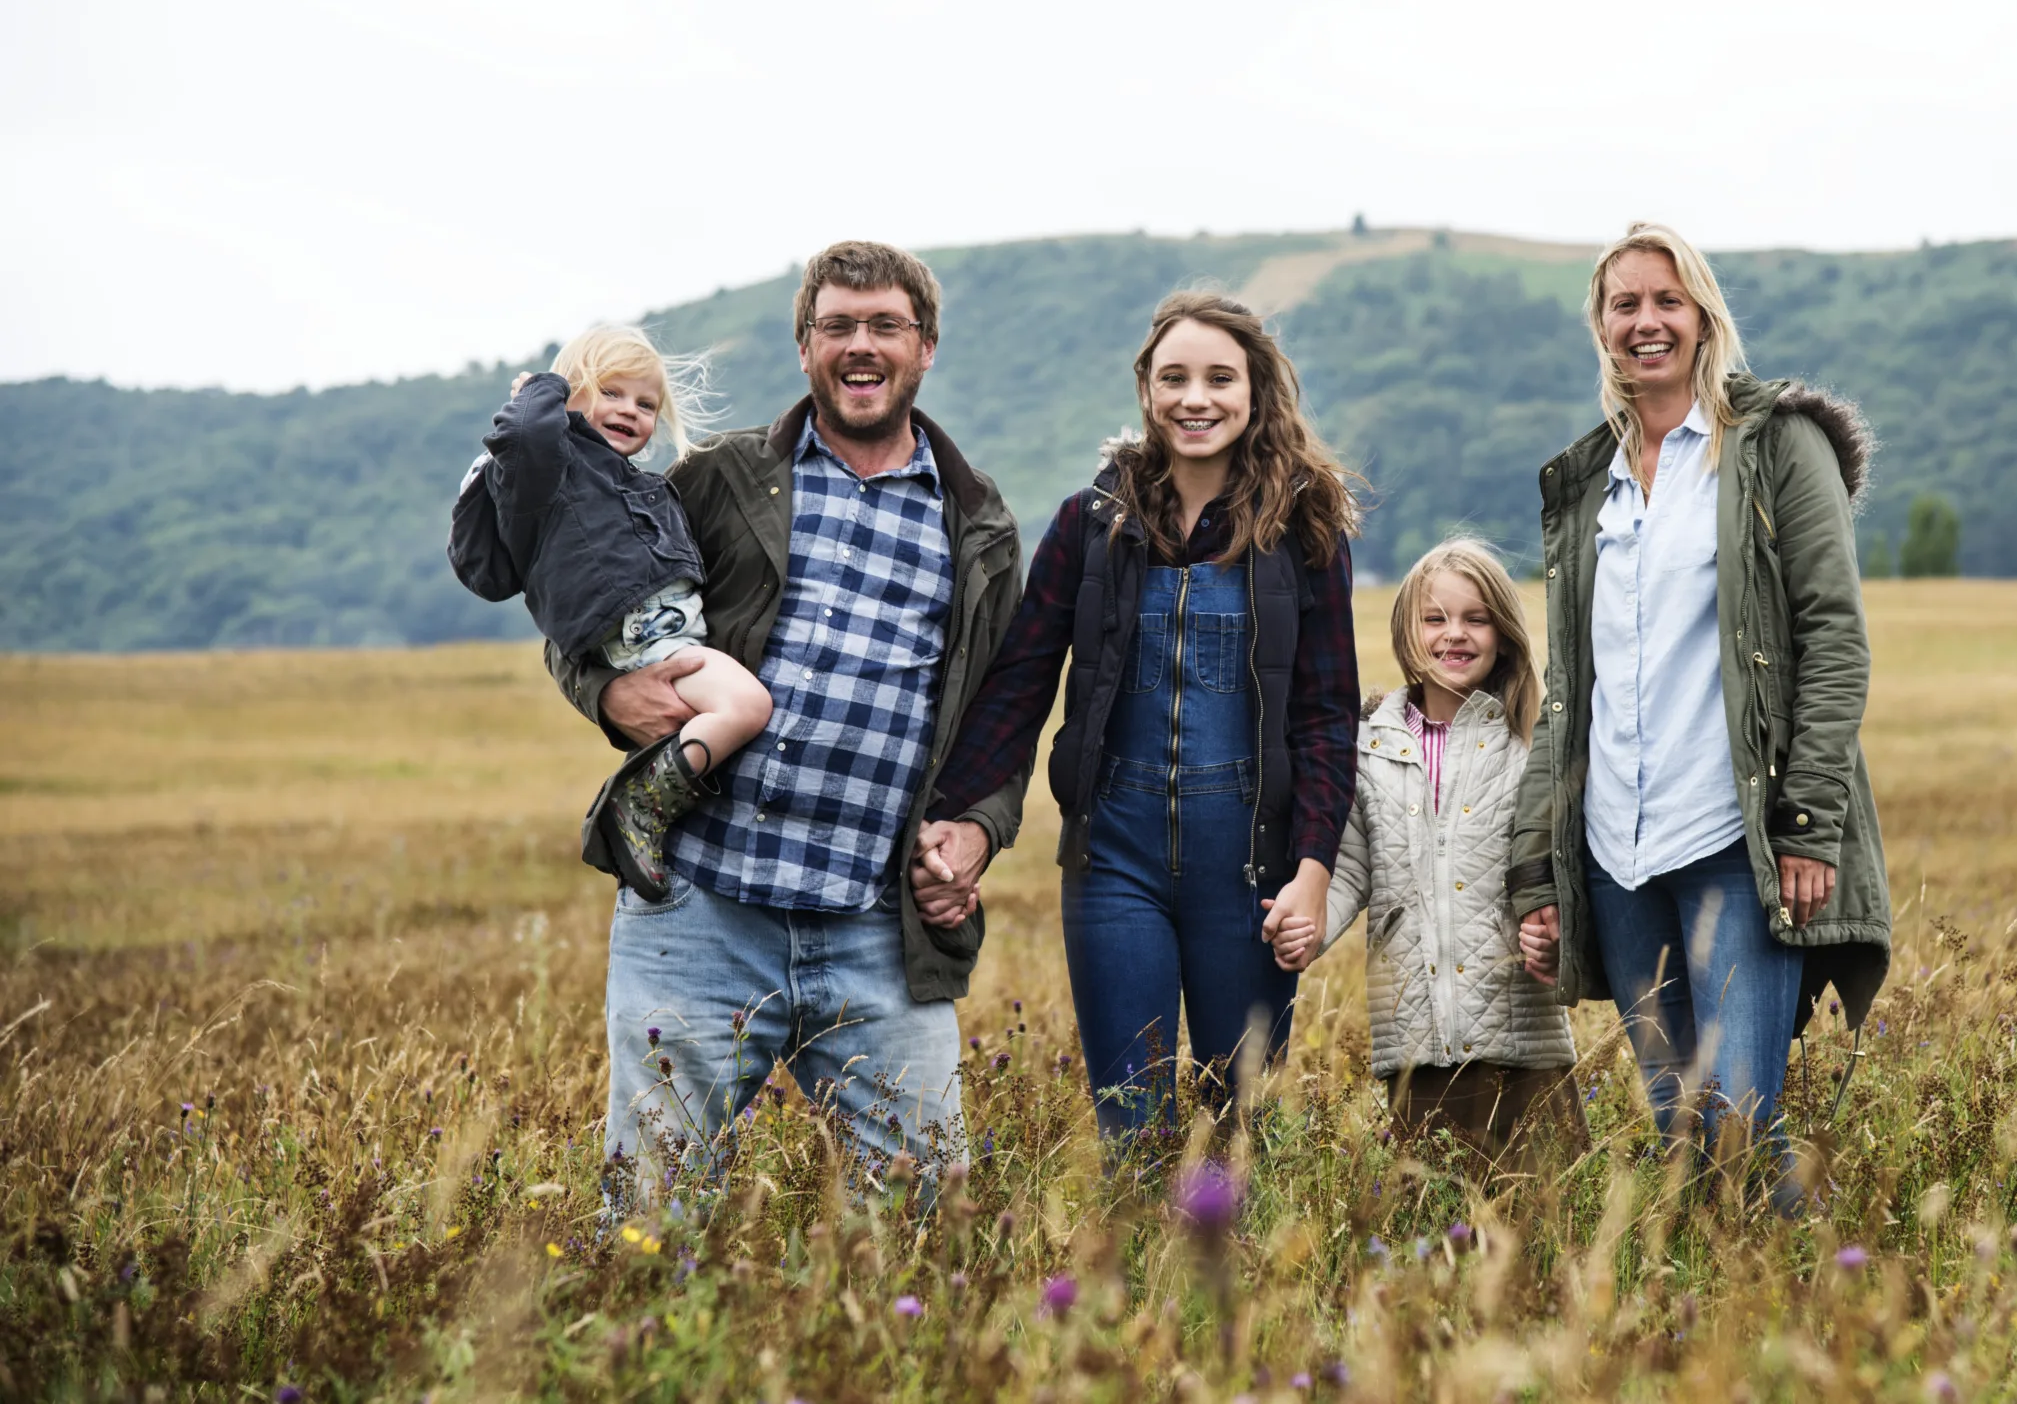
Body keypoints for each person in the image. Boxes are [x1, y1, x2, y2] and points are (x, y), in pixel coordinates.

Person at [541, 241, 1027, 1193]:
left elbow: (999, 715)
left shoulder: (977, 520)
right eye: (837, 325)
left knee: (934, 1218)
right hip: (701, 913)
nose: (861, 344)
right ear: (803, 345)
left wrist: (978, 828)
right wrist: (603, 690)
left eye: (884, 324)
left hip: (875, 928)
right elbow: (585, 593)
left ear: (926, 346)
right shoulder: (720, 479)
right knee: (653, 1212)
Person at [920, 290, 1360, 1144]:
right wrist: (959, 816)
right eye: (1175, 378)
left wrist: (1312, 868)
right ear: (1146, 392)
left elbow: (1325, 714)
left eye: (1219, 378)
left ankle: (1235, 1279)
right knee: (1134, 1123)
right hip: (1113, 859)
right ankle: (1139, 1279)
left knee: (1241, 1120)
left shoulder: (1304, 527)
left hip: (1251, 868)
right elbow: (1021, 679)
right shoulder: (1093, 523)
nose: (1196, 398)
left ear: (1256, 391)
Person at [1508, 221, 1891, 1200]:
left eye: (1665, 301)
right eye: (1623, 304)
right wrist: (1535, 868)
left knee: (1736, 1115)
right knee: (1679, 1123)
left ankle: (1808, 1315)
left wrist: (1809, 819)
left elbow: (1832, 636)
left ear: (1703, 316)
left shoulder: (1772, 447)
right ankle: (1716, 1332)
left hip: (1731, 833)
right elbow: (1569, 688)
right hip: (1616, 850)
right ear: (1600, 327)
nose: (1646, 321)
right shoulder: (1583, 479)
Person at [449, 326, 773, 900]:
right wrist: (540, 389)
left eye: (645, 403)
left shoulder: (634, 484)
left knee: (716, 721)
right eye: (611, 392)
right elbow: (523, 436)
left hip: (668, 635)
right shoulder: (553, 474)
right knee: (748, 705)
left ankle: (655, 808)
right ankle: (637, 807)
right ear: (568, 398)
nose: (630, 410)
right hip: (643, 639)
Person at [1302, 536, 1588, 1173]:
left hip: (1524, 1042)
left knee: (1547, 1233)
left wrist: (1562, 936)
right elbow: (1348, 866)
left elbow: (1565, 867)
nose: (1454, 635)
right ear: (1408, 628)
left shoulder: (1530, 745)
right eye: (1436, 618)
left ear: (1503, 633)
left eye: (1475, 618)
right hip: (1417, 1044)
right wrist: (1309, 928)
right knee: (1434, 1237)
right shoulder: (1368, 744)